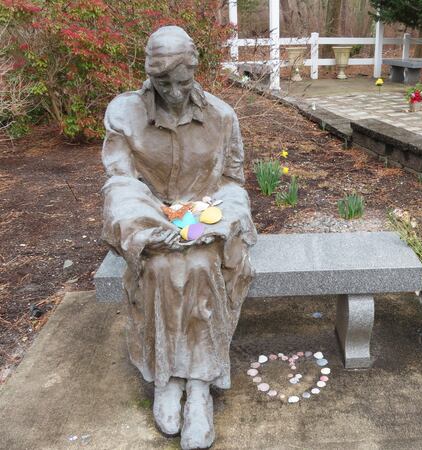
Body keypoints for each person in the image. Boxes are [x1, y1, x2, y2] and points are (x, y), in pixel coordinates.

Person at [101, 26, 256, 449]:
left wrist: (220, 220)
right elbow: (119, 181)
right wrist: (148, 226)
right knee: (165, 265)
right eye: (161, 82)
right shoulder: (124, 113)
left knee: (203, 264)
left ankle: (200, 389)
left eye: (182, 82)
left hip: (206, 224)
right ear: (148, 74)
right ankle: (167, 380)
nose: (172, 92)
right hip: (152, 224)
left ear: (195, 70)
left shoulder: (222, 116)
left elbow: (233, 180)